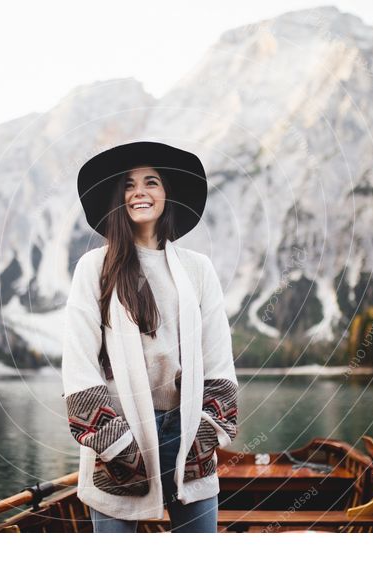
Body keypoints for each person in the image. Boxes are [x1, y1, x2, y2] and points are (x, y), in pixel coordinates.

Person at [61, 141, 239, 533]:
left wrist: (206, 433)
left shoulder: (199, 269)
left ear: (166, 194)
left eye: (152, 182)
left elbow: (219, 362)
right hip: (120, 434)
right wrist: (117, 446)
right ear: (117, 198)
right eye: (128, 184)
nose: (140, 191)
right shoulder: (94, 268)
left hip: (188, 432)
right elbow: (79, 369)